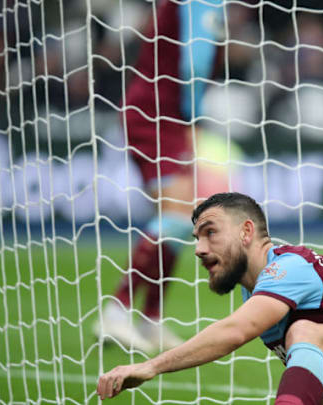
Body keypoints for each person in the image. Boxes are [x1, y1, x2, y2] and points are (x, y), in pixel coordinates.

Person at [96, 192, 323, 405]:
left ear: (247, 231)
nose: (200, 249)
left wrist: (150, 366)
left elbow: (235, 331)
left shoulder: (288, 268)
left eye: (211, 233)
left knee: (304, 332)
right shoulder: (258, 289)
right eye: (197, 238)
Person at [94, 0, 225, 352]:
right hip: (158, 115)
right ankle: (116, 311)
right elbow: (194, 62)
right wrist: (193, 120)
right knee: (177, 215)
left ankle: (150, 319)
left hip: (157, 112)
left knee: (179, 220)